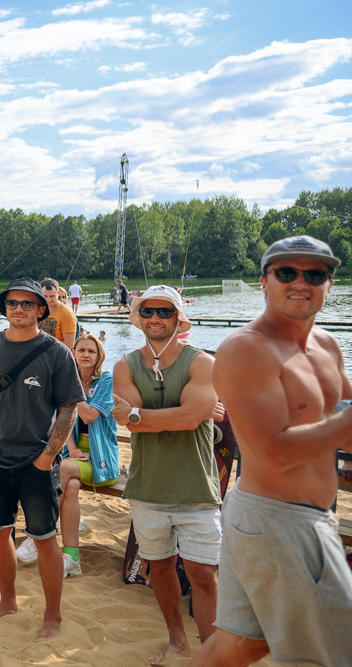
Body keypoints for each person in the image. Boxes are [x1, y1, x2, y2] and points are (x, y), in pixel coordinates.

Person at [190, 236, 352, 667]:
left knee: (241, 644)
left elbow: (345, 434)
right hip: (278, 518)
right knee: (331, 651)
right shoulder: (247, 348)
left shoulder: (328, 347)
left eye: (314, 274)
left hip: (296, 516)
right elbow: (274, 451)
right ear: (264, 281)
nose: (301, 282)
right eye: (287, 273)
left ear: (329, 285)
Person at [0, 276, 83, 640]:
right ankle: (7, 600)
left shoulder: (57, 353)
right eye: (13, 303)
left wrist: (47, 458)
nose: (19, 309)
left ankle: (53, 614)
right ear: (4, 308)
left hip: (37, 461)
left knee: (45, 538)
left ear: (40, 309)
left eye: (27, 304)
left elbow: (69, 409)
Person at [110, 285, 222, 665]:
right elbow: (141, 423)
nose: (155, 319)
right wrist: (181, 415)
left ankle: (211, 650)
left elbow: (188, 418)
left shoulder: (201, 362)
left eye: (165, 312)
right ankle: (177, 639)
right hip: (148, 487)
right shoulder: (124, 365)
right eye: (148, 312)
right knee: (159, 566)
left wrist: (141, 416)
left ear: (178, 318)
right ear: (139, 318)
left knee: (203, 574)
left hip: (196, 487)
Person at [15, 333, 118, 577]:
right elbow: (65, 419)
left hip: (101, 459)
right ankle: (72, 558)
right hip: (74, 457)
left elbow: (88, 415)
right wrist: (71, 448)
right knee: (69, 486)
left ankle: (36, 534)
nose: (85, 354)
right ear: (73, 353)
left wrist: (70, 388)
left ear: (98, 356)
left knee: (60, 470)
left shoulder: (105, 380)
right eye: (81, 349)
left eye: (91, 351)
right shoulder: (66, 379)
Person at [38, 278, 77, 347]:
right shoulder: (36, 309)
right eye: (45, 296)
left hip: (56, 355)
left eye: (52, 296)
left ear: (58, 293)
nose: (48, 300)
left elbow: (69, 344)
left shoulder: (67, 314)